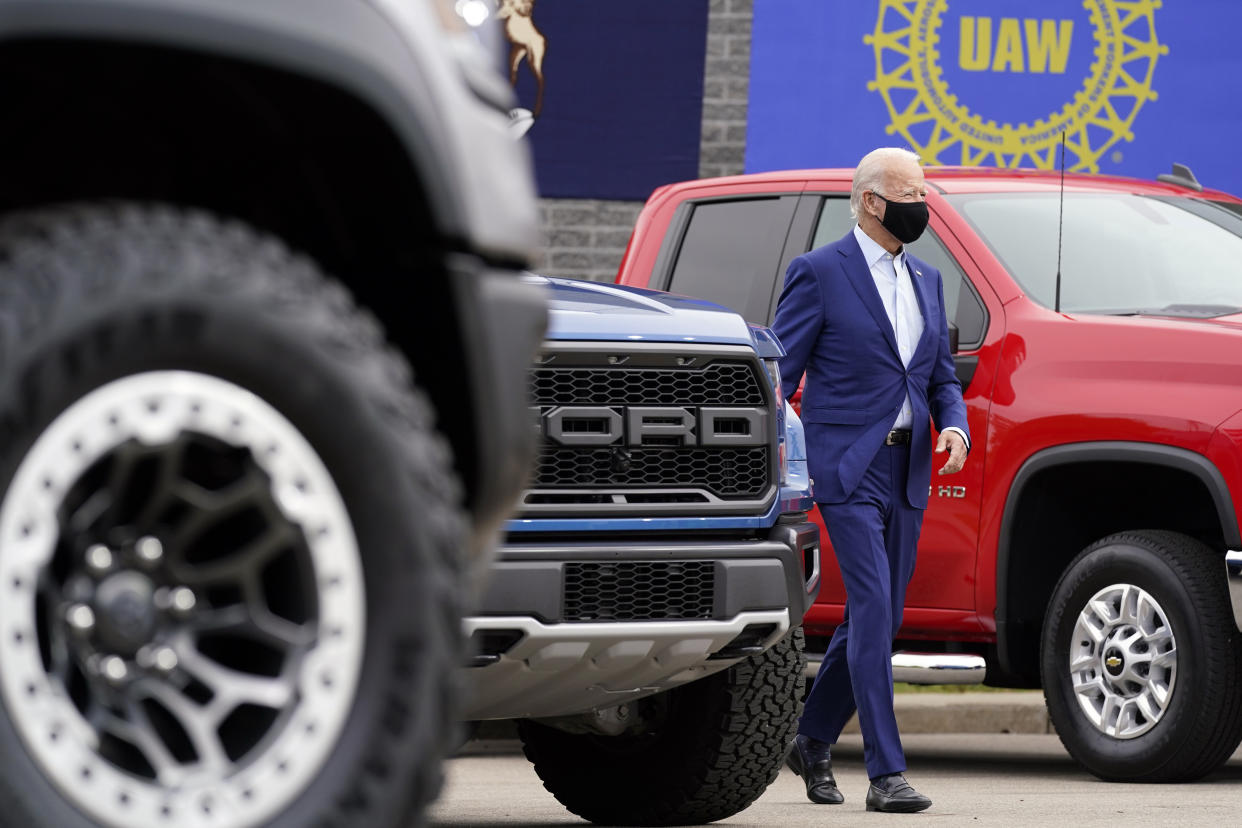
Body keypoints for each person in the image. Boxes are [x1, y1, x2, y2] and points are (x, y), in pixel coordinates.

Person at [772, 147, 969, 813]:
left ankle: (812, 737)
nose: (924, 203)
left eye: (925, 190)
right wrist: (802, 454)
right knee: (876, 610)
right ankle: (887, 774)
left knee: (871, 618)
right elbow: (780, 378)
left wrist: (955, 426)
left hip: (908, 469)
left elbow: (939, 373)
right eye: (911, 192)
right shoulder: (820, 273)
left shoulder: (929, 280)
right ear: (870, 201)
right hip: (849, 471)